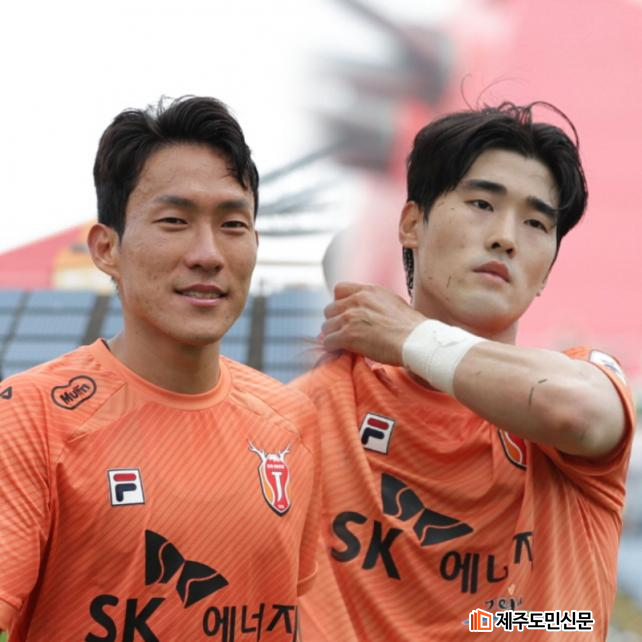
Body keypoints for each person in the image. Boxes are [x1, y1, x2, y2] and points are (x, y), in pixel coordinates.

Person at [295, 102, 636, 641]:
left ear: (547, 271)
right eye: (481, 203)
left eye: (536, 223)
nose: (506, 237)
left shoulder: (580, 384)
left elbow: (572, 412)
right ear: (411, 224)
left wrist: (411, 337)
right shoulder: (311, 410)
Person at [0, 96, 320, 641]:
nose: (208, 253)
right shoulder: (31, 418)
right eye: (174, 221)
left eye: (233, 224)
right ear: (107, 248)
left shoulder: (292, 421)